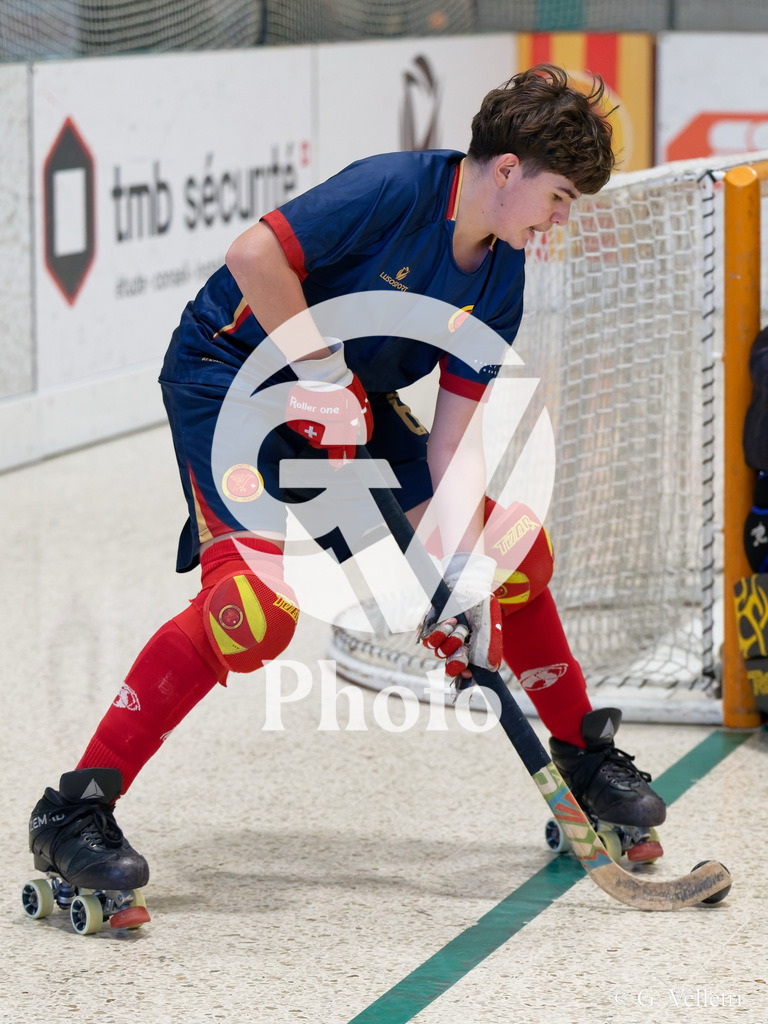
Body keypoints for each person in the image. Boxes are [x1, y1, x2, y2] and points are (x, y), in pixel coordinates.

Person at [27, 64, 666, 901]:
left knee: (510, 558)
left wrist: (459, 578)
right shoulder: (394, 190)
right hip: (231, 381)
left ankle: (583, 757)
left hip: (353, 404)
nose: (560, 218)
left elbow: (449, 453)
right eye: (559, 197)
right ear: (507, 170)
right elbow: (254, 254)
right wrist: (322, 368)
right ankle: (73, 812)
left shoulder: (501, 279)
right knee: (249, 616)